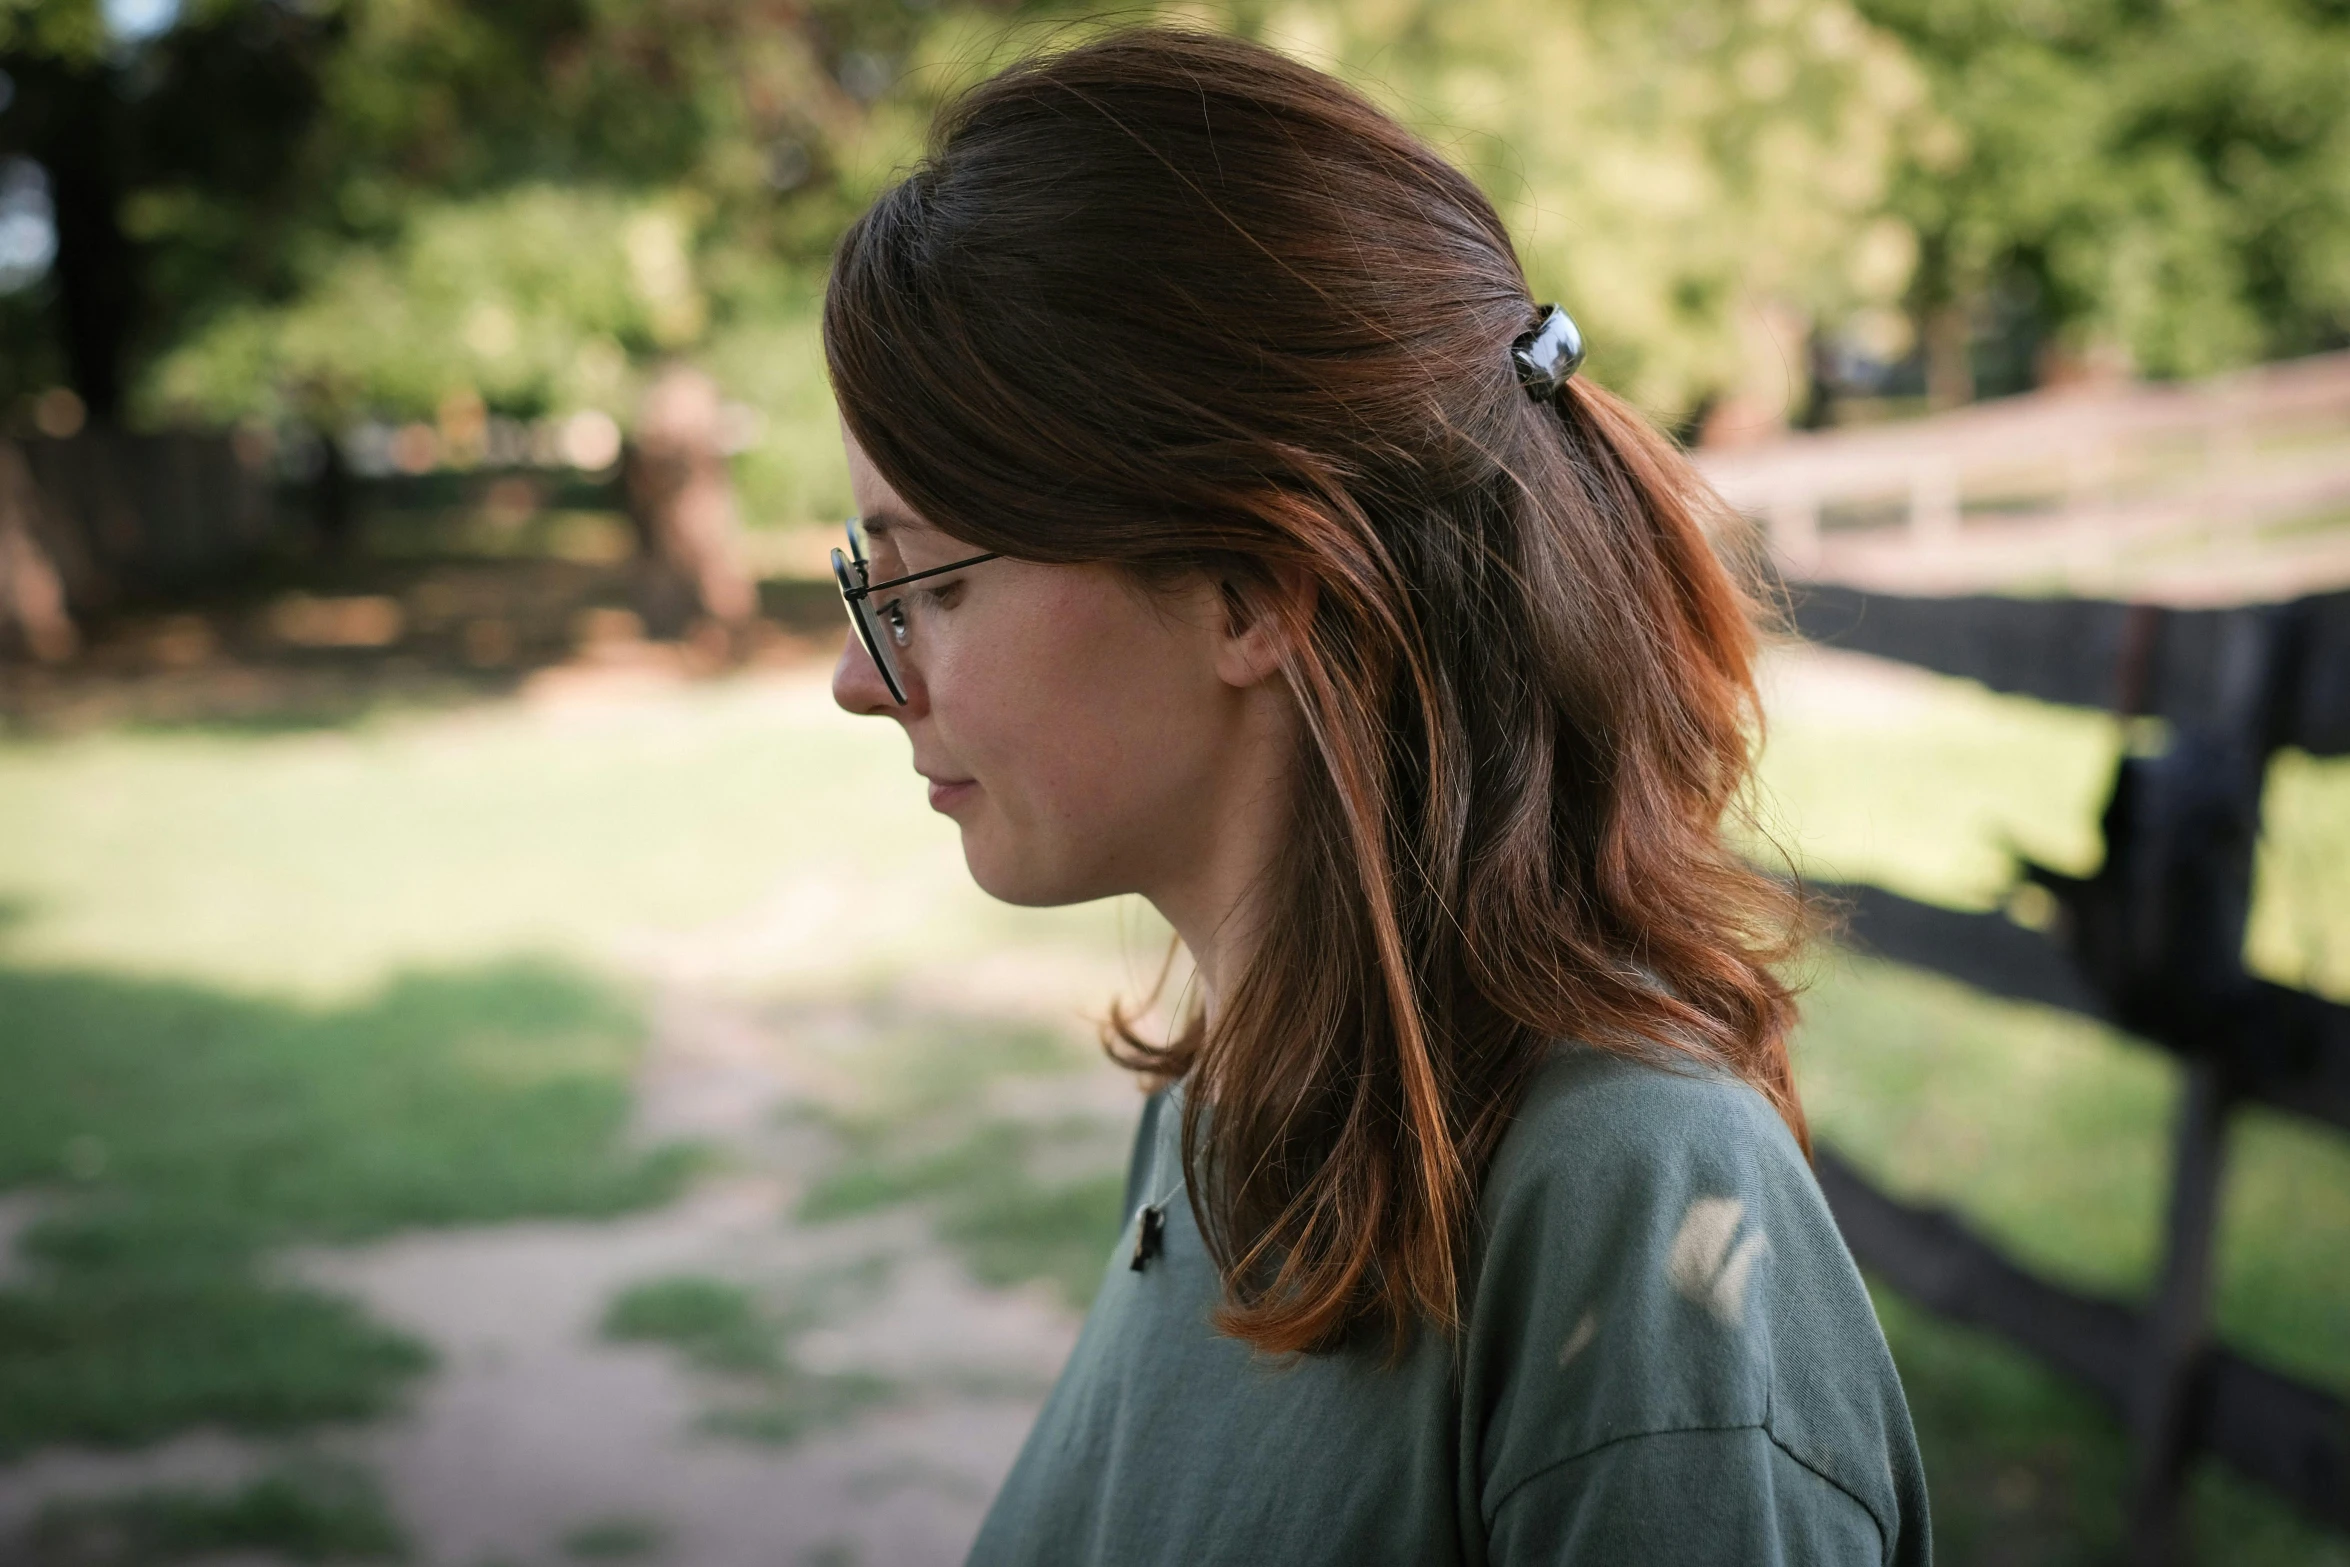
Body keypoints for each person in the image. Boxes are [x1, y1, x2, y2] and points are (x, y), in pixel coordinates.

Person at [822, 26, 1928, 1566]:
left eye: (919, 581)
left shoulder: (1635, 1226)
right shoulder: (1231, 1112)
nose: (863, 678)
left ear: (1245, 589)